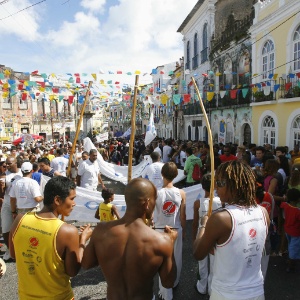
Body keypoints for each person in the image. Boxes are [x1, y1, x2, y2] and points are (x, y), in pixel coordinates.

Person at [82, 178, 178, 300]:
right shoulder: (162, 241)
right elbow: (168, 282)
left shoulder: (101, 231)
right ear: (147, 203)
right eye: (155, 200)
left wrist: (82, 240)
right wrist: (171, 243)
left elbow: (86, 263)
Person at [193, 161, 270, 300]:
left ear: (235, 186)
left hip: (226, 293)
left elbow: (198, 253)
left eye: (220, 183)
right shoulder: (263, 212)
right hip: (257, 291)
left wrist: (203, 224)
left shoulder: (221, 218)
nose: (216, 188)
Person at [9, 176, 92, 299]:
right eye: (72, 199)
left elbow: (13, 254)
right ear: (57, 200)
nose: (74, 203)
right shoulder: (67, 231)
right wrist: (82, 240)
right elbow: (72, 271)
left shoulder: (20, 219)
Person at [154, 162, 186, 300]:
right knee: (176, 257)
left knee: (162, 261)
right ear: (175, 175)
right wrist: (183, 230)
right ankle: (174, 282)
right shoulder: (181, 193)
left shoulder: (156, 192)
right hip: (176, 229)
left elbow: (150, 214)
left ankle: (164, 289)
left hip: (160, 230)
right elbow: (182, 216)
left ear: (162, 174)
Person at [192, 174, 222, 296]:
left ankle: (202, 287)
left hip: (203, 235)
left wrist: (194, 238)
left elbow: (194, 224)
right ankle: (209, 289)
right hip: (216, 237)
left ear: (203, 187)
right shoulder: (221, 202)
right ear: (214, 186)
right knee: (214, 264)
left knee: (202, 263)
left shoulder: (198, 203)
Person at [0, 156, 22, 262]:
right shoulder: (4, 174)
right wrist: (2, 187)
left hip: (20, 203)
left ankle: (20, 250)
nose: (7, 166)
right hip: (7, 202)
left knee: (20, 228)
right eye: (6, 164)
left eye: (9, 164)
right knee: (5, 228)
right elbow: (2, 193)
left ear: (16, 163)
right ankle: (9, 250)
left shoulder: (22, 173)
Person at [280, 188, 300, 273]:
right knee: (293, 248)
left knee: (290, 245)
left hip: (287, 230)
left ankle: (290, 259)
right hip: (296, 232)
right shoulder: (298, 212)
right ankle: (291, 264)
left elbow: (282, 206)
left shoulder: (285, 205)